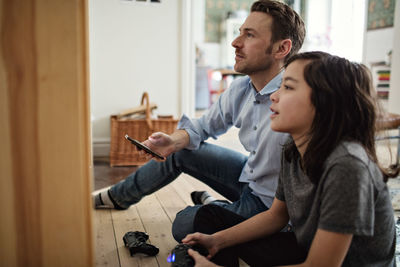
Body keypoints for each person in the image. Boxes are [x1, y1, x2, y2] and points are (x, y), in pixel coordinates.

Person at [94, 0, 306, 242]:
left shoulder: (298, 101)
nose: (235, 43)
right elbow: (203, 126)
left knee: (185, 223)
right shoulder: (241, 89)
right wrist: (172, 141)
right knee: (178, 151)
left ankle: (214, 204)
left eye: (249, 35)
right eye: (239, 33)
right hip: (249, 176)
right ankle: (118, 196)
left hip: (270, 206)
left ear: (282, 48)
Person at [182, 51, 398, 267]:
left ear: (324, 102)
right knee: (210, 219)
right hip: (306, 249)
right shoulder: (292, 148)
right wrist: (217, 241)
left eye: (288, 87)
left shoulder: (347, 165)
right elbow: (276, 216)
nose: (273, 96)